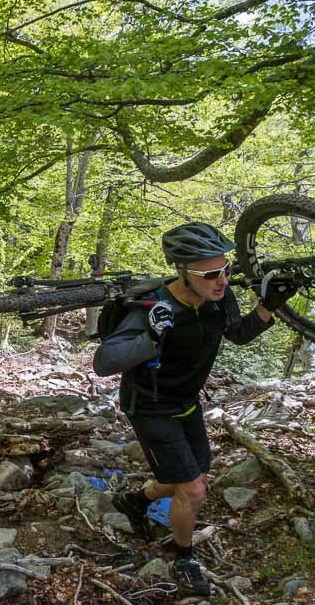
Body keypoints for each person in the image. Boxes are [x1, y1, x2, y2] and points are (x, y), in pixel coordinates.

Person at [93, 221, 297, 597]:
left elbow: (237, 333)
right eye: (212, 274)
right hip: (150, 406)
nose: (223, 280)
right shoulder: (153, 305)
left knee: (187, 474)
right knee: (193, 487)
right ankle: (183, 558)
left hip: (186, 403)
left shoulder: (219, 298)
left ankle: (134, 501)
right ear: (183, 271)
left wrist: (269, 305)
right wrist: (151, 336)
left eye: (226, 270)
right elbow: (104, 362)